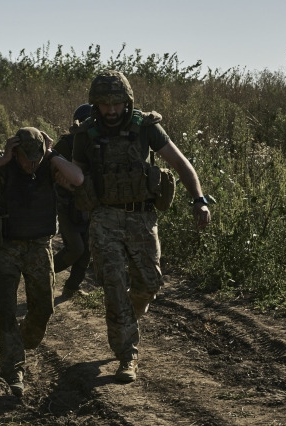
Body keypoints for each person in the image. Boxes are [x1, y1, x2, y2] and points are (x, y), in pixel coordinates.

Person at [71, 71, 211, 383]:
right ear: (95, 104)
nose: (110, 110)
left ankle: (128, 317)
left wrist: (199, 199)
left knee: (150, 283)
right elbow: (77, 175)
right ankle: (127, 356)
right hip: (104, 218)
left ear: (127, 101)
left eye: (117, 103)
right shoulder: (87, 133)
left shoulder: (145, 127)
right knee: (115, 286)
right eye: (104, 104)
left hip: (141, 216)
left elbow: (180, 163)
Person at [0, 127, 83, 396]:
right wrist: (3, 159)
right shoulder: (2, 161)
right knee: (5, 307)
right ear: (15, 151)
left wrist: (51, 155)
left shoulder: (49, 163)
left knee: (43, 309)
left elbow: (78, 179)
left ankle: (18, 340)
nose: (31, 164)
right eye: (25, 159)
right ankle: (13, 367)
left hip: (40, 246)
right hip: (6, 246)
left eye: (36, 158)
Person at [52, 103, 93, 298]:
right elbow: (50, 171)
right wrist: (66, 183)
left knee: (86, 251)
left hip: (90, 204)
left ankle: (71, 288)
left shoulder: (100, 142)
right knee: (76, 248)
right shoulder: (66, 144)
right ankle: (42, 275)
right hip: (67, 203)